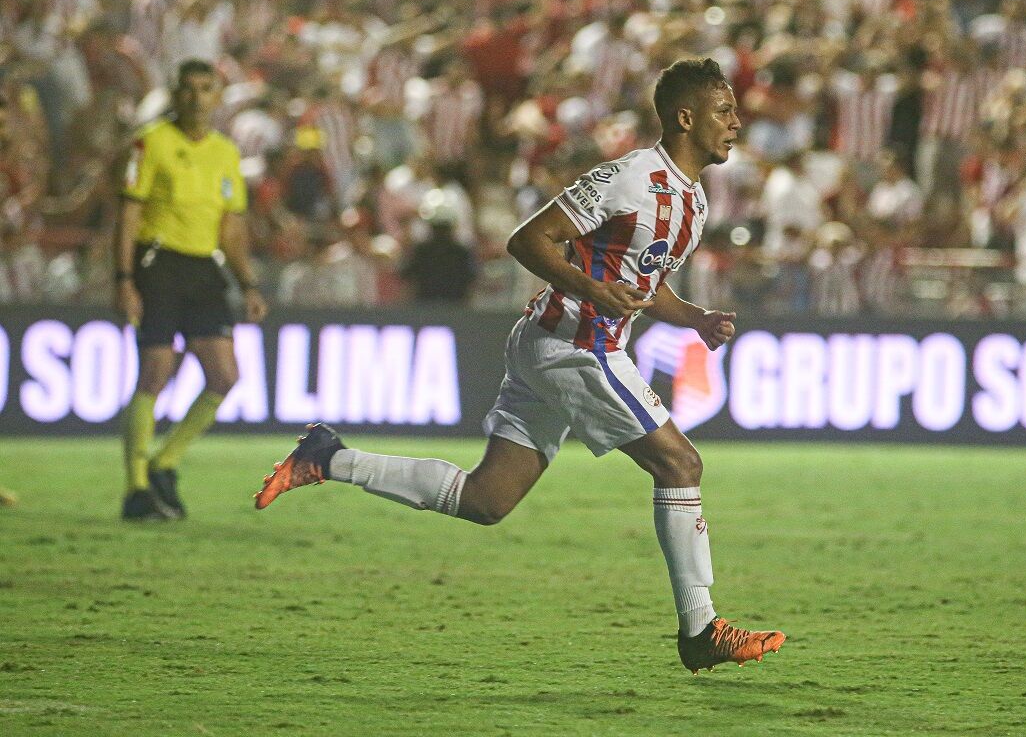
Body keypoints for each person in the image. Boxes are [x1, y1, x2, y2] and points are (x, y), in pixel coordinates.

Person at [253, 58, 785, 674]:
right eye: (724, 111)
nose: (737, 122)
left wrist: (693, 318)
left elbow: (646, 282)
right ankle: (701, 629)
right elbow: (529, 240)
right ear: (685, 117)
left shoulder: (692, 199)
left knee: (486, 498)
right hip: (575, 345)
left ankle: (328, 457)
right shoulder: (630, 178)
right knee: (680, 462)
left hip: (553, 343)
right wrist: (591, 289)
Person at [115, 59, 268, 521]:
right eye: (189, 89)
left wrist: (248, 283)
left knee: (224, 376)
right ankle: (136, 489)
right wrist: (123, 280)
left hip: (204, 268)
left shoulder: (225, 152)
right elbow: (129, 216)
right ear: (176, 93)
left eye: (207, 89)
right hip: (158, 263)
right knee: (156, 371)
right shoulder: (151, 142)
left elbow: (231, 227)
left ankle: (165, 463)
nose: (197, 97)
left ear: (217, 97)